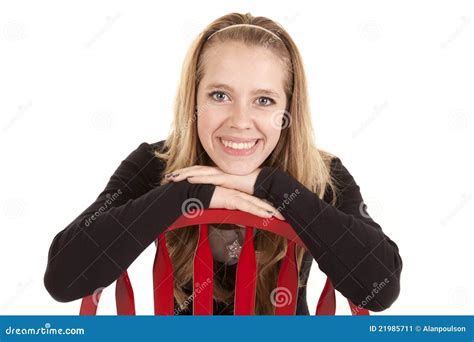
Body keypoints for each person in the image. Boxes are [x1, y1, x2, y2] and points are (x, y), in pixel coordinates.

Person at [44, 12, 402, 315]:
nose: (240, 120)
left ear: (287, 110)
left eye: (263, 99)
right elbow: (64, 279)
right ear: (193, 99)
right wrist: (189, 193)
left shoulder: (323, 175)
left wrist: (268, 184)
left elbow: (379, 287)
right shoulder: (156, 164)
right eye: (220, 95)